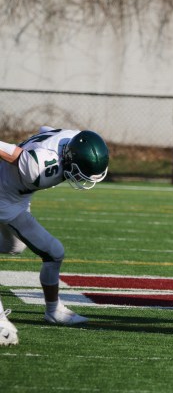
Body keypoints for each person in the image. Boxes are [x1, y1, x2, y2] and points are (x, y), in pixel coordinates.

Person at [0, 127, 109, 346]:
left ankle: (54, 311)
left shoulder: (74, 139)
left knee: (46, 251)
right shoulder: (40, 166)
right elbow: (13, 153)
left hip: (16, 197)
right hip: (4, 197)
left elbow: (45, 130)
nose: (81, 179)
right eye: (81, 173)